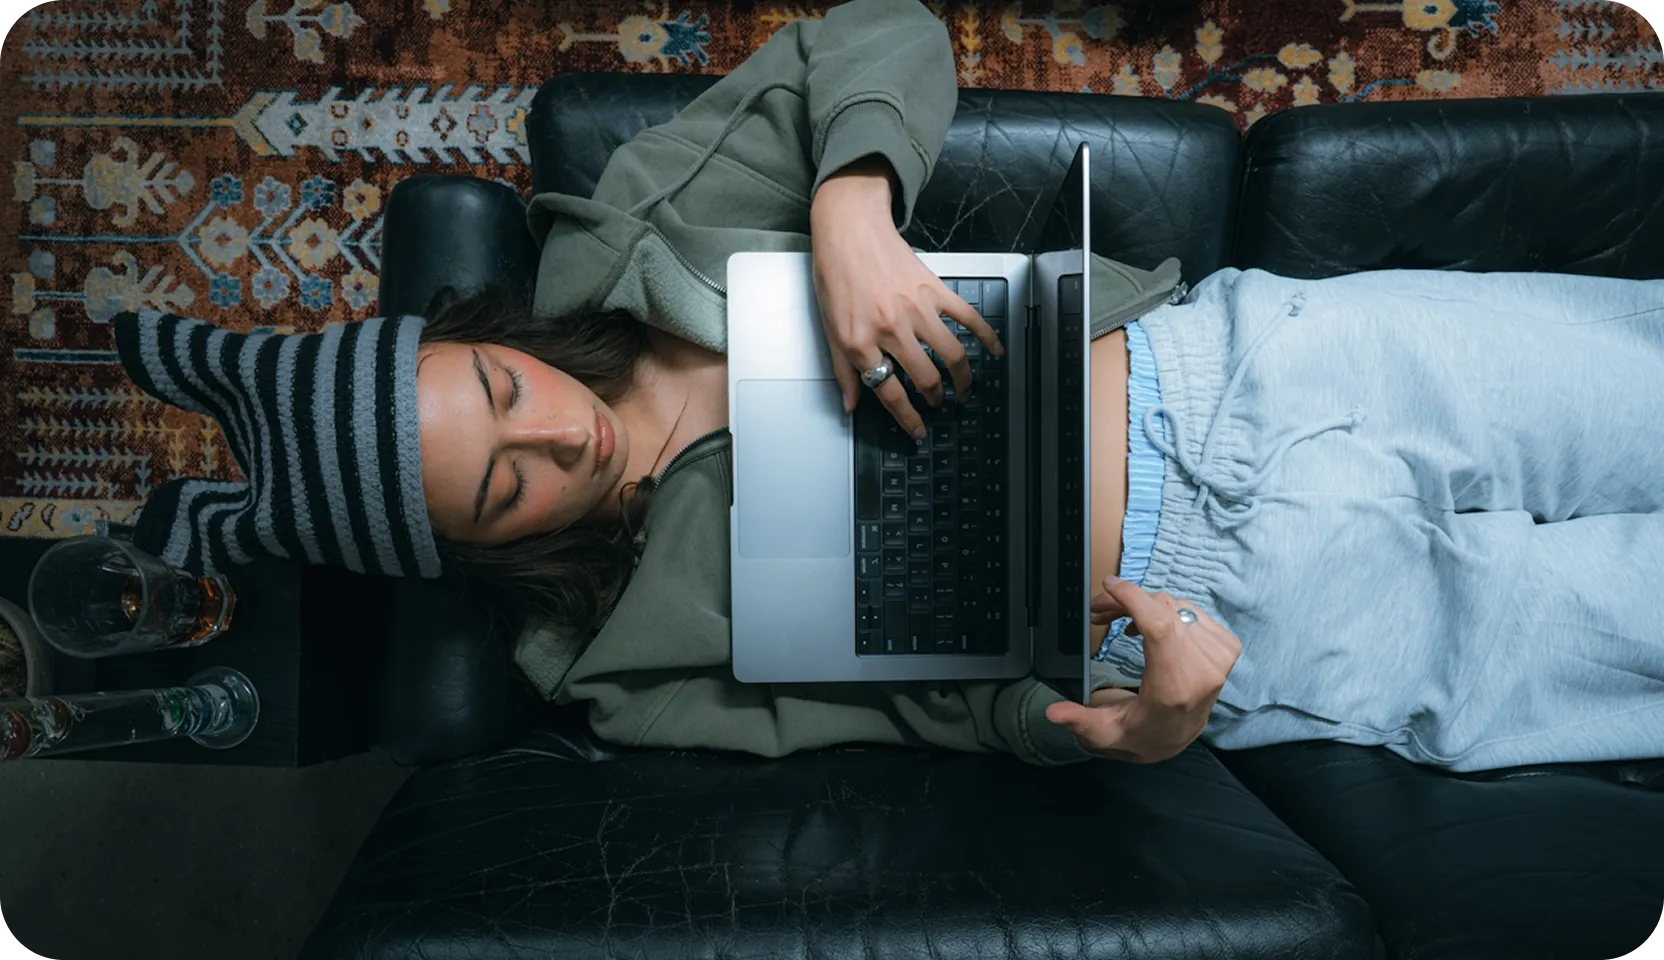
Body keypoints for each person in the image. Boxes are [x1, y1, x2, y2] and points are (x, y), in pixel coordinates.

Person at [113, 0, 1664, 773]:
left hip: (1254, 371)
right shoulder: (611, 664)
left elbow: (879, 30)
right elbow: (944, 718)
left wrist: (850, 205)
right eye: (509, 482)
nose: (561, 430)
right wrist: (1130, 730)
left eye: (505, 389)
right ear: (486, 548)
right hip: (1240, 603)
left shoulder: (637, 217)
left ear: (487, 336)